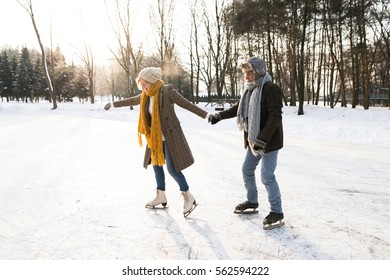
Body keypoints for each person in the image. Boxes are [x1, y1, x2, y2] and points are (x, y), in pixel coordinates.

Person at [104, 67, 208, 217]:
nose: (142, 87)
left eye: (144, 84)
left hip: (170, 136)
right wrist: (113, 104)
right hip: (155, 138)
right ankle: (161, 195)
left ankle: (188, 197)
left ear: (151, 81)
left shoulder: (166, 91)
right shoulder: (146, 95)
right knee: (156, 165)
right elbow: (132, 100)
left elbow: (186, 104)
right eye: (140, 85)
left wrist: (206, 116)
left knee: (173, 169)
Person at [208, 57, 285, 229]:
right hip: (253, 141)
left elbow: (275, 116)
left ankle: (277, 211)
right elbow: (238, 108)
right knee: (247, 169)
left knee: (267, 176)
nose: (246, 77)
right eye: (245, 73)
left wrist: (262, 139)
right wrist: (219, 116)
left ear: (257, 72)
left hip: (269, 142)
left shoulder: (271, 89)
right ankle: (252, 201)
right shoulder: (249, 91)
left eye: (249, 73)